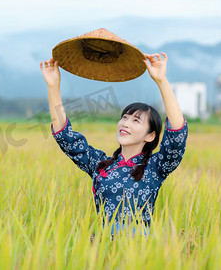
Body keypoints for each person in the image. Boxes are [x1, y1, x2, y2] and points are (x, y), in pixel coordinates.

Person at [40, 52, 188, 240]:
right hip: (101, 245)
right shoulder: (100, 163)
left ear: (150, 136)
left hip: (139, 249)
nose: (125, 123)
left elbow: (177, 135)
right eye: (124, 118)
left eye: (136, 121)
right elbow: (66, 137)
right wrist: (53, 86)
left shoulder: (156, 166)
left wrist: (161, 81)